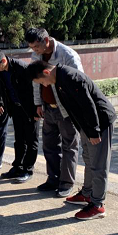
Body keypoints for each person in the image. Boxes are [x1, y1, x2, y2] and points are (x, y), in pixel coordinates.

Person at [28, 60, 116, 220]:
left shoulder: (71, 77)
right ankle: (87, 194)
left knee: (98, 164)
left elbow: (88, 105)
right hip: (86, 125)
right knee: (88, 159)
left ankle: (97, 205)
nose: (44, 86)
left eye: (42, 82)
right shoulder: (59, 78)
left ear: (46, 73)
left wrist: (94, 132)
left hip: (99, 123)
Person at [25, 27, 83, 198]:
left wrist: (75, 109)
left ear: (46, 41)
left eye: (36, 47)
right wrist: (37, 103)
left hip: (66, 109)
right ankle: (53, 179)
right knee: (49, 145)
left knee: (69, 146)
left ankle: (66, 183)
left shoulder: (68, 55)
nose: (34, 51)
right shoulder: (36, 56)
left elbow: (79, 83)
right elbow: (36, 82)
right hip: (47, 108)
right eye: (32, 47)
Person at [0, 49, 39, 183]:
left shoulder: (22, 68)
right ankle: (17, 167)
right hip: (15, 108)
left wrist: (36, 109)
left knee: (31, 140)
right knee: (19, 139)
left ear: (3, 61)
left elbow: (34, 88)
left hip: (29, 109)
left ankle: (28, 170)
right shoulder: (0, 71)